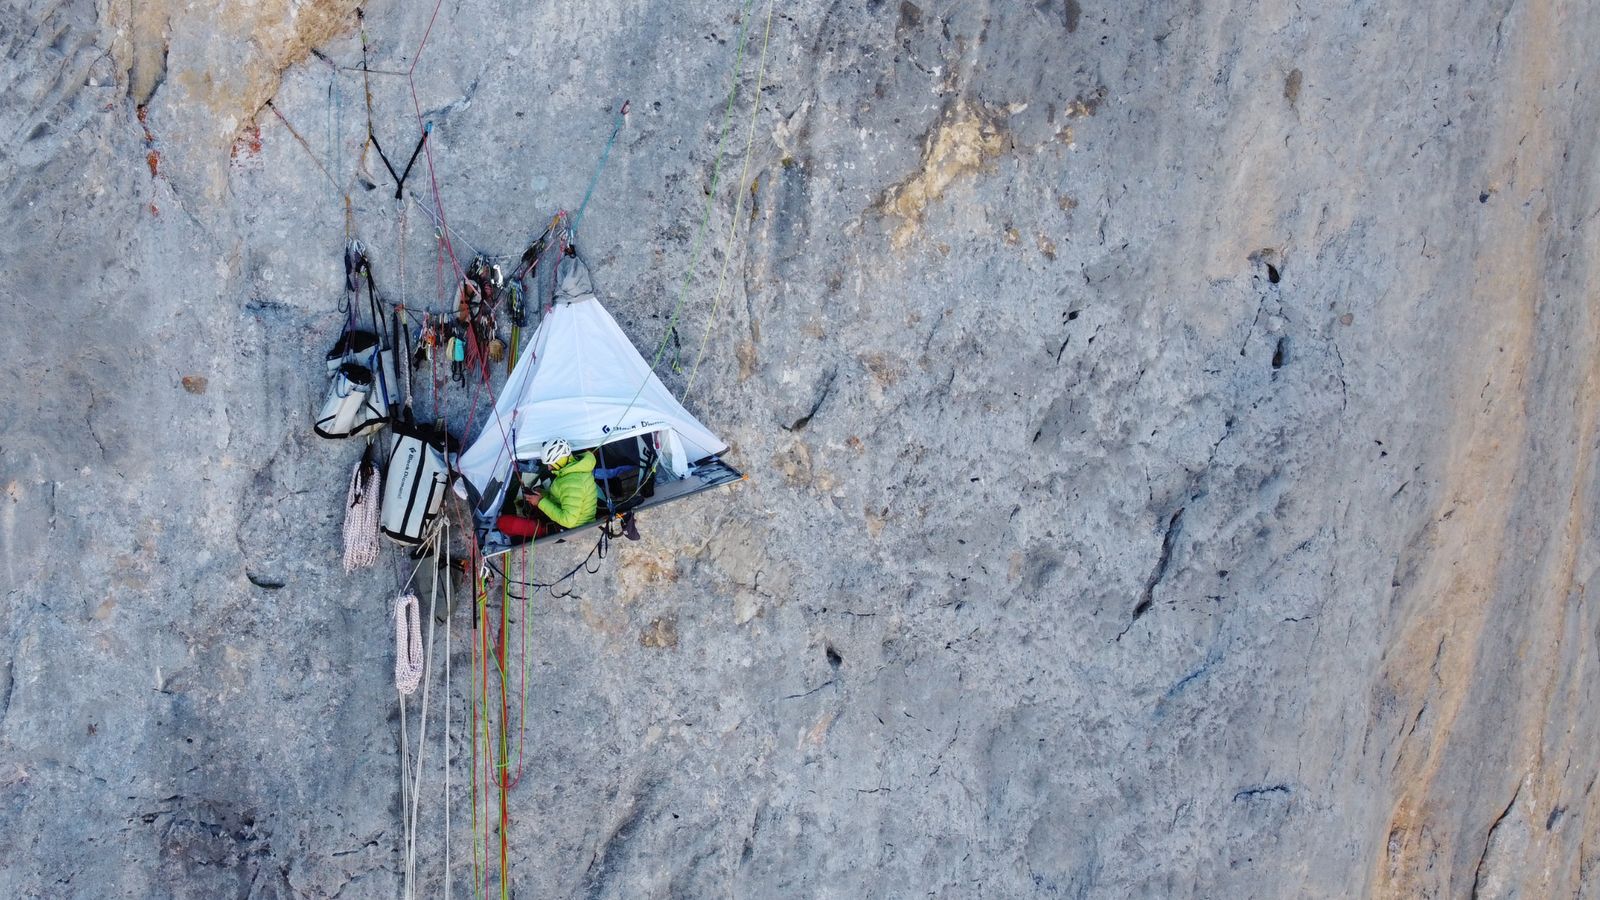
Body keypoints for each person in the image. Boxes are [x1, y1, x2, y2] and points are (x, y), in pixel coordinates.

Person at [517, 439, 597, 531]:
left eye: (550, 464)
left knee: (506, 522)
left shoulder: (572, 482)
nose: (549, 468)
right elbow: (563, 498)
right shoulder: (575, 470)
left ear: (560, 460)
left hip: (575, 530)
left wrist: (540, 502)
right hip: (577, 523)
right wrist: (544, 494)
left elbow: (568, 521)